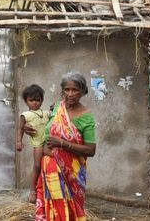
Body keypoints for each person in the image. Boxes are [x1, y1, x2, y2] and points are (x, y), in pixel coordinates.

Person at [26, 72, 96, 221]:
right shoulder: (58, 107)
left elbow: (91, 150)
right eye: (67, 89)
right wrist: (28, 128)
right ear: (62, 90)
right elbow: (45, 128)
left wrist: (62, 144)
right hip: (49, 168)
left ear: (83, 91)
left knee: (69, 212)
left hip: (71, 173)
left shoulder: (86, 117)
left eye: (75, 90)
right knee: (51, 210)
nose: (70, 94)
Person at [16, 84, 51, 204]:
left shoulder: (46, 113)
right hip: (38, 143)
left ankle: (47, 189)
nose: (34, 103)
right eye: (31, 100)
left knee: (49, 165)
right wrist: (19, 142)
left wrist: (55, 108)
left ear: (41, 100)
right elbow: (20, 129)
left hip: (49, 142)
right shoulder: (25, 115)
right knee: (37, 166)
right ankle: (33, 190)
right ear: (26, 101)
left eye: (37, 100)